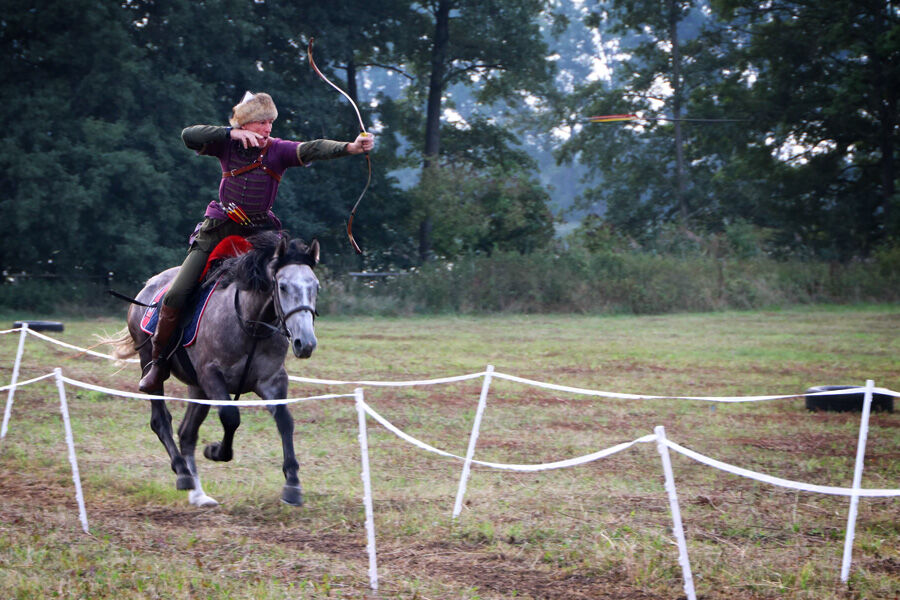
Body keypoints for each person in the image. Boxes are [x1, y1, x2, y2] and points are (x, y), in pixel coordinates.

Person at [139, 91, 375, 393]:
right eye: (262, 122)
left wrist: (350, 147)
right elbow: (188, 135)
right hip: (220, 229)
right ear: (246, 125)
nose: (268, 129)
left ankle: (273, 357)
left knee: (286, 281)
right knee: (176, 295)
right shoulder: (226, 145)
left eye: (270, 123)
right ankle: (158, 363)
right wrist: (230, 132)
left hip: (261, 234)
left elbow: (312, 148)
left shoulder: (277, 151)